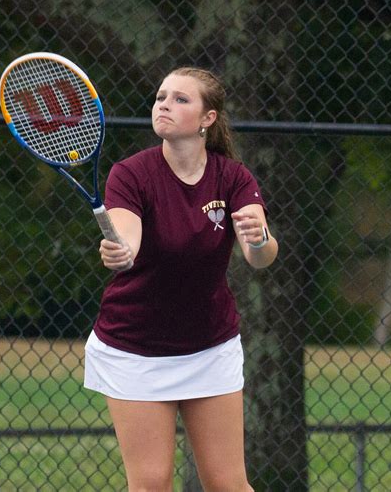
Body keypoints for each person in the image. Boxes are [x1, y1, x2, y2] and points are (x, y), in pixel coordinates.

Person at [84, 67, 278, 492]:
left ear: (207, 119)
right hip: (134, 347)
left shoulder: (233, 177)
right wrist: (120, 251)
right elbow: (127, 240)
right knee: (152, 483)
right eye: (160, 97)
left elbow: (260, 256)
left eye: (179, 99)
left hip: (210, 346)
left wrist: (259, 237)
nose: (164, 106)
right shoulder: (130, 174)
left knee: (228, 484)